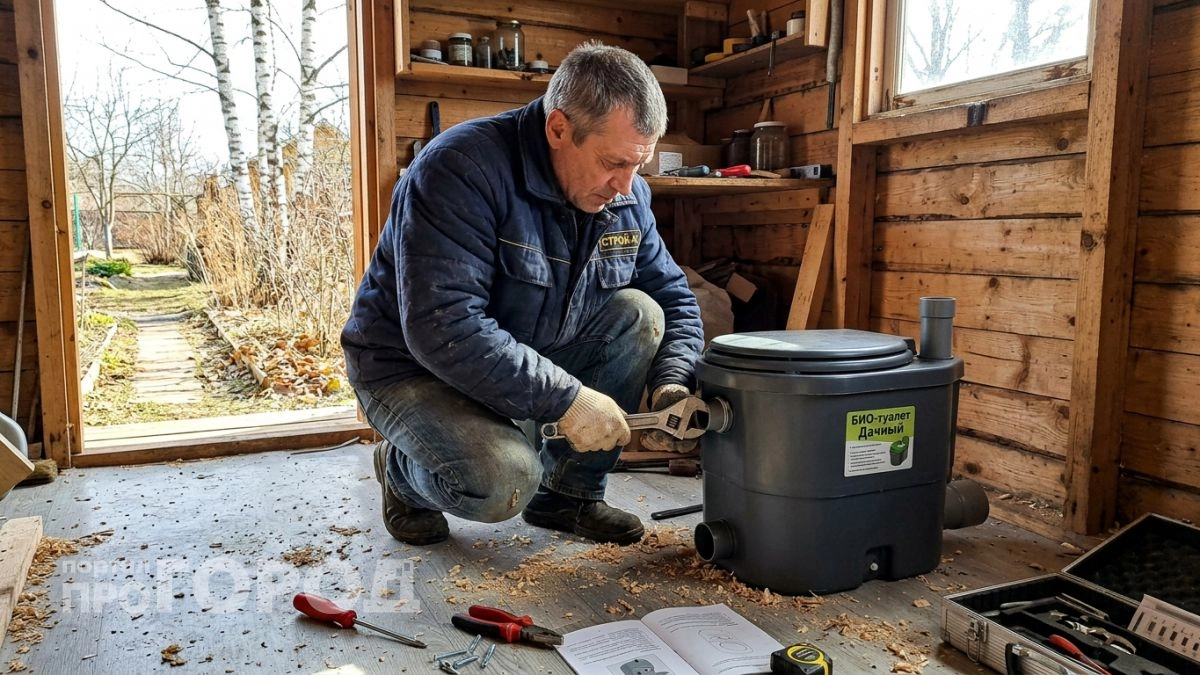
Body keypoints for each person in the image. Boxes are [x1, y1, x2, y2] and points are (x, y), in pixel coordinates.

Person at [341, 41, 704, 547]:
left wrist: (672, 384)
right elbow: (443, 325)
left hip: (521, 351)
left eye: (637, 166)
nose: (625, 186)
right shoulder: (457, 169)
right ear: (559, 129)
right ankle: (402, 473)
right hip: (409, 366)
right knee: (503, 481)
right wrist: (568, 399)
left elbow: (672, 296)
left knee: (639, 313)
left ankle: (569, 498)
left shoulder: (625, 194)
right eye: (612, 163)